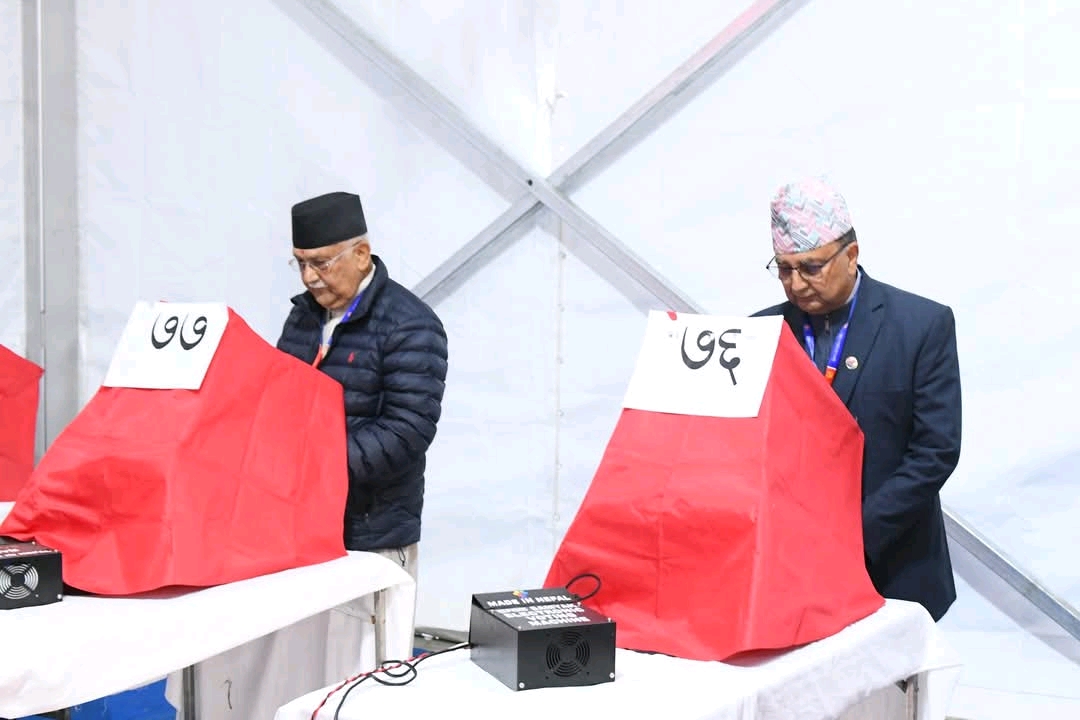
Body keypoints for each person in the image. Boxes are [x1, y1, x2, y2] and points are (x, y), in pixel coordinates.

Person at [753, 176, 962, 622]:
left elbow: (935, 452)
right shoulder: (759, 334)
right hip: (789, 567)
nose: (796, 283)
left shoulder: (921, 326)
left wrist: (853, 537)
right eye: (784, 269)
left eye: (811, 267)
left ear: (851, 255)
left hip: (893, 564)